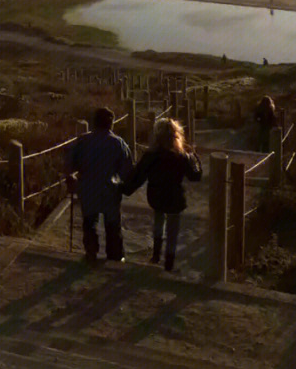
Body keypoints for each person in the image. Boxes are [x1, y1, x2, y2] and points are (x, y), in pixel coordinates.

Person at [121, 119, 201, 271]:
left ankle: (156, 255)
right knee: (173, 229)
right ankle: (169, 261)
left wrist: (124, 189)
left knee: (159, 219)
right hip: (175, 197)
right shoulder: (182, 156)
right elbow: (195, 176)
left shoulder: (151, 155)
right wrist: (195, 157)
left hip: (156, 195)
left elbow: (138, 176)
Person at [67, 107, 133, 265]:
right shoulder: (118, 143)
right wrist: (126, 185)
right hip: (110, 189)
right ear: (111, 124)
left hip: (88, 188)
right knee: (112, 224)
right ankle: (115, 255)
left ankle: (91, 251)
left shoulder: (82, 140)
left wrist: (71, 178)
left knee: (90, 222)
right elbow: (127, 170)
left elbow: (70, 162)